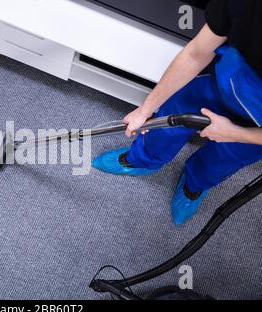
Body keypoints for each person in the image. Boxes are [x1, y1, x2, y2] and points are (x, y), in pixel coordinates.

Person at [92, 0, 262, 225]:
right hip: (220, 85)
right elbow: (196, 54)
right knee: (167, 122)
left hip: (255, 130)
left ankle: (194, 185)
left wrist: (235, 134)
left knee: (223, 159)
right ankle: (142, 159)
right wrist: (146, 109)